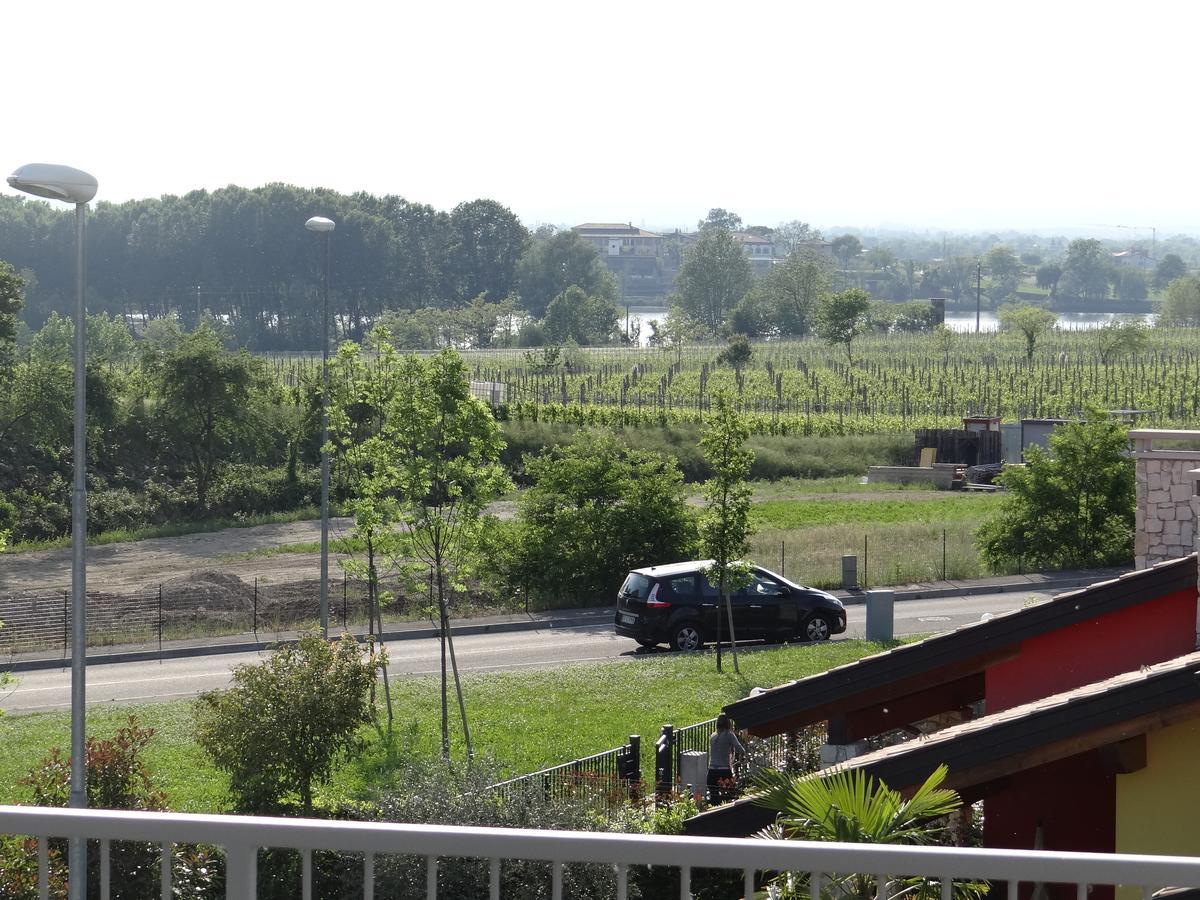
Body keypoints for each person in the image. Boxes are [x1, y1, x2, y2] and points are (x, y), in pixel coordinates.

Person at [707, 713, 745, 805]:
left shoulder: (713, 735)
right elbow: (740, 749)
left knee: (714, 797)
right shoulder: (729, 734)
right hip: (724, 770)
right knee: (729, 796)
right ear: (728, 723)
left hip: (711, 771)